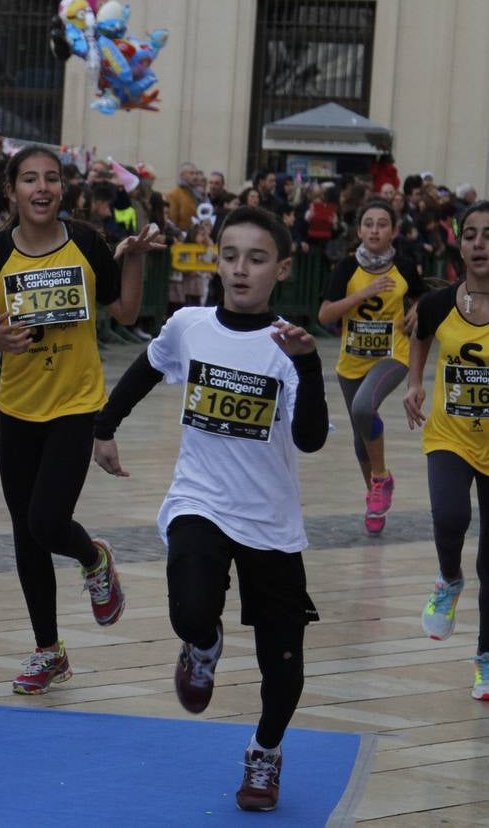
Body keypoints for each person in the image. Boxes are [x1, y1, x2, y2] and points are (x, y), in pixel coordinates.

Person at [92, 204, 329, 813]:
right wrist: (105, 426)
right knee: (193, 609)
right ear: (214, 260)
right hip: (200, 500)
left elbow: (310, 440)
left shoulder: (289, 347)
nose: (241, 270)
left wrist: (307, 363)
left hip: (270, 521)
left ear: (282, 268)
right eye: (230, 256)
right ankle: (202, 647)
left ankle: (265, 752)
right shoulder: (190, 325)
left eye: (257, 258)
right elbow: (146, 368)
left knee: (283, 664)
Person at [0, 145, 161, 695]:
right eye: (30, 179)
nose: (41, 188)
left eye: (51, 178)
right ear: (12, 191)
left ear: (63, 191)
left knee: (47, 522)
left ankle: (92, 557)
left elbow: (123, 313)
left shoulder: (88, 243)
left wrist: (136, 259)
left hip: (76, 403)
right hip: (17, 406)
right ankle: (48, 651)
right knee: (25, 535)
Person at [404, 201, 489, 701]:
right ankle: (448, 579)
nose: (480, 243)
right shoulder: (440, 303)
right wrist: (415, 382)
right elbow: (421, 336)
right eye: (472, 234)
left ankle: (484, 659)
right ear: (460, 244)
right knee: (449, 515)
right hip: (450, 435)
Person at [317, 199, 426, 535]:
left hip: (393, 355)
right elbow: (325, 316)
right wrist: (362, 295)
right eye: (368, 223)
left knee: (365, 408)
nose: (375, 230)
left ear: (394, 230)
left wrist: (418, 309)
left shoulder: (405, 266)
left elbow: (423, 298)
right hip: (351, 362)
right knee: (359, 434)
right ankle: (374, 497)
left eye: (382, 224)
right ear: (359, 229)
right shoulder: (346, 268)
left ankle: (381, 478)